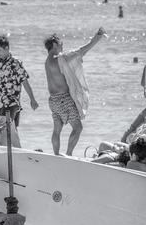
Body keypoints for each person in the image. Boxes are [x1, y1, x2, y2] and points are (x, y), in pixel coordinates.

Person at [44, 27, 105, 155]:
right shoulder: (60, 59)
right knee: (78, 128)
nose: (62, 45)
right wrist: (97, 37)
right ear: (54, 44)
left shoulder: (47, 61)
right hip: (64, 99)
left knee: (57, 129)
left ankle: (56, 155)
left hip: (53, 101)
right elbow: (81, 51)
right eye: (61, 43)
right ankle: (69, 154)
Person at [0, 35, 38, 147]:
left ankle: (6, 152)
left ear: (7, 48)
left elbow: (25, 82)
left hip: (12, 102)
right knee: (10, 129)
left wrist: (32, 99)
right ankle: (18, 152)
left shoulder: (16, 63)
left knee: (4, 128)